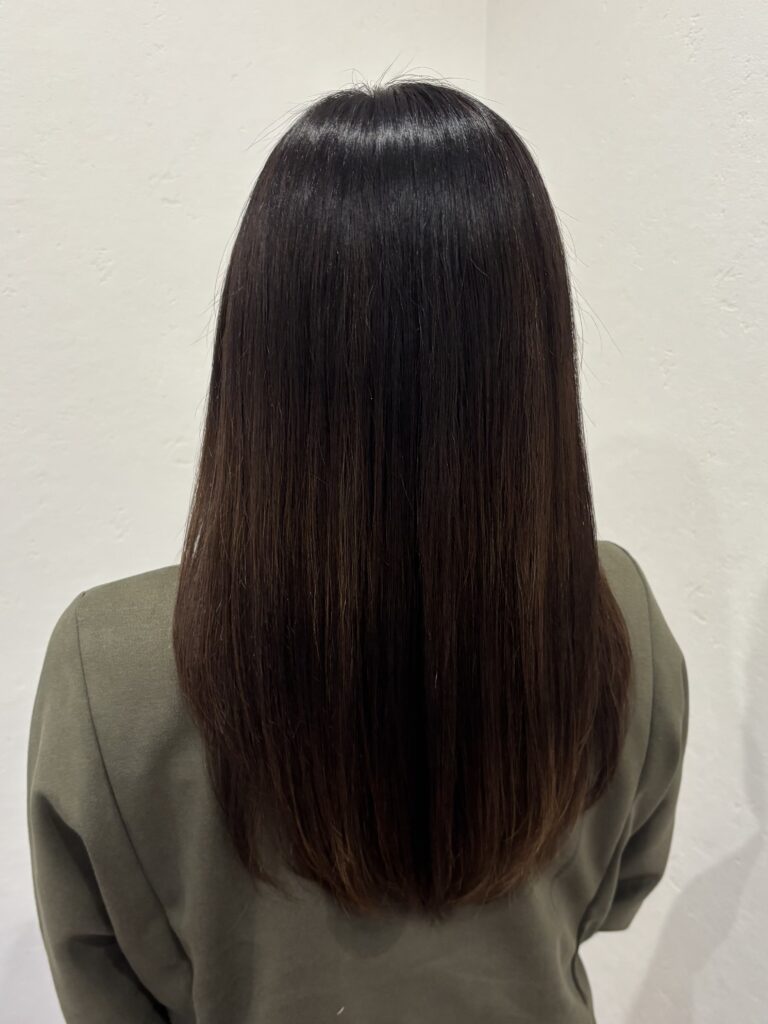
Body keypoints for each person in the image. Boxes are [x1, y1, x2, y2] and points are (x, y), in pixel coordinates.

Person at [26, 77, 689, 1024]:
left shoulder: (109, 668)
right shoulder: (617, 616)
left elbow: (101, 981)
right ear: (532, 351)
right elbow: (617, 893)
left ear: (259, 342)